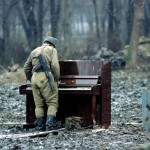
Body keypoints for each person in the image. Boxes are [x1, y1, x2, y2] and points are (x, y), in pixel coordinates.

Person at [24, 36, 60, 131]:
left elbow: (26, 67)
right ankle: (50, 126)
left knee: (39, 105)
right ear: (53, 44)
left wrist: (30, 78)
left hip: (34, 78)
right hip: (46, 77)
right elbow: (55, 66)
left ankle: (40, 127)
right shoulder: (52, 50)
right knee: (52, 102)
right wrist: (56, 79)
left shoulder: (34, 51)